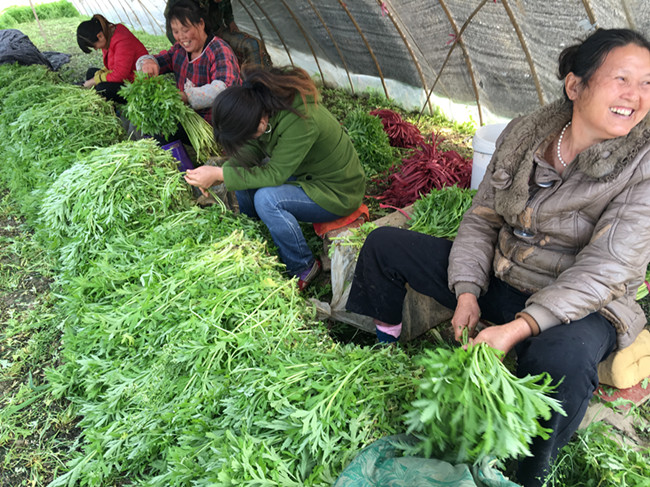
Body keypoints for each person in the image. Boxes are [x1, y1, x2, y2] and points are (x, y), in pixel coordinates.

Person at [345, 28, 650, 486]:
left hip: (584, 305)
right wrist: (467, 291)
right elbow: (482, 219)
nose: (636, 96)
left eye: (648, 83)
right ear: (575, 85)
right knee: (385, 245)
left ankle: (526, 470)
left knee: (561, 362)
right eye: (622, 79)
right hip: (505, 276)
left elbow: (607, 269)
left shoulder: (640, 164)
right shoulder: (526, 134)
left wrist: (518, 328)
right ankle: (380, 348)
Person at [183, 66, 366, 290]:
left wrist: (221, 174)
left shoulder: (301, 120)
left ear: (258, 123)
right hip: (307, 174)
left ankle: (303, 265)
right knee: (241, 173)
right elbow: (251, 152)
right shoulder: (262, 107)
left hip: (337, 191)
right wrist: (220, 174)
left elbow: (275, 173)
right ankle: (256, 235)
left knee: (266, 199)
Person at [137, 0, 240, 125]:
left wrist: (186, 97)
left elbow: (223, 89)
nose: (181, 37)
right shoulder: (179, 50)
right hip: (187, 120)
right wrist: (147, 62)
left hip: (216, 124)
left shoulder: (219, 50)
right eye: (176, 32)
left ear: (201, 24)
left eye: (185, 30)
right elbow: (158, 59)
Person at [164, 0, 272, 68]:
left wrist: (230, 21)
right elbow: (172, 28)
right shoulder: (180, 3)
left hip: (217, 31)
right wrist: (185, 48)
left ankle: (260, 83)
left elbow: (227, 8)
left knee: (252, 44)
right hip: (196, 38)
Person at [76, 14, 148, 103]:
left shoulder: (122, 40)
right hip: (126, 77)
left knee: (102, 88)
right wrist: (102, 72)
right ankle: (99, 99)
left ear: (100, 36)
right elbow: (114, 64)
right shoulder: (108, 35)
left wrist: (95, 80)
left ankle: (105, 100)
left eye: (94, 46)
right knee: (91, 73)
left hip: (136, 84)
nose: (96, 49)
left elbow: (120, 75)